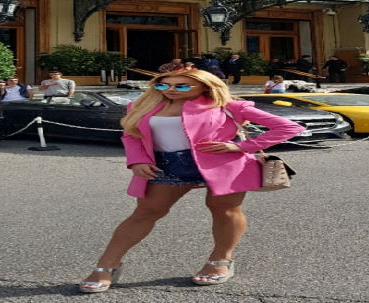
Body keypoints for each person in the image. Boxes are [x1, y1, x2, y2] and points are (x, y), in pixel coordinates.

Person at [78, 69, 304, 293]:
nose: (171, 90)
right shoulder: (143, 106)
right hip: (164, 165)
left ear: (205, 86)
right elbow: (131, 135)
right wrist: (137, 160)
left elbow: (288, 127)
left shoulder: (227, 105)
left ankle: (221, 260)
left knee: (225, 210)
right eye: (163, 85)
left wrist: (242, 146)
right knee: (145, 213)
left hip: (222, 164)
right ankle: (107, 265)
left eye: (181, 86)